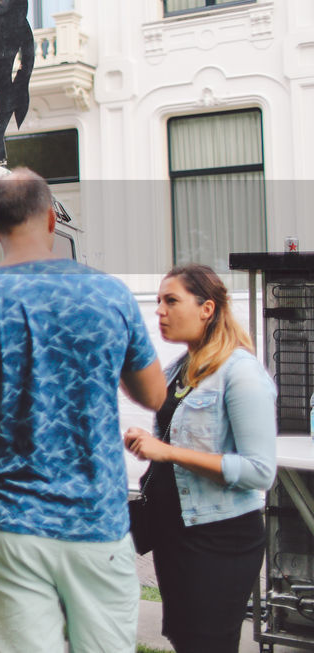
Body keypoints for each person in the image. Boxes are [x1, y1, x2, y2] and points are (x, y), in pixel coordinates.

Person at [0, 168, 166, 653]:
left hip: (9, 527)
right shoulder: (111, 296)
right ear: (52, 223)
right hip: (97, 522)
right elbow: (154, 395)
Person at [124, 264, 275, 653]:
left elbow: (259, 472)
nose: (160, 310)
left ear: (206, 308)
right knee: (185, 639)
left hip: (218, 538)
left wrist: (168, 452)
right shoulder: (180, 369)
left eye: (171, 300)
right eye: (157, 300)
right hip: (173, 530)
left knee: (207, 644)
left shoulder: (241, 373)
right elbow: (163, 418)